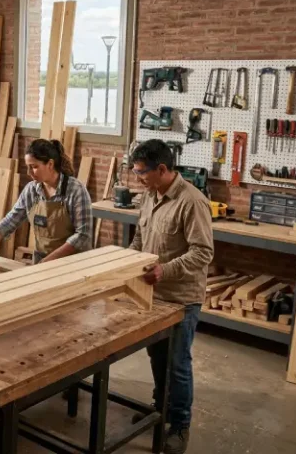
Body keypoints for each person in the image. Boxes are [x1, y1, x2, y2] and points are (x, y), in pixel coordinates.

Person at [128, 139, 214, 454]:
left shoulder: (192, 202)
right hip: (154, 294)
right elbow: (140, 236)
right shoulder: (149, 196)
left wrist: (165, 270)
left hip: (180, 298)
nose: (138, 178)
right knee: (158, 356)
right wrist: (127, 262)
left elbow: (203, 253)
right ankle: (160, 408)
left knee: (178, 362)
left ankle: (179, 425)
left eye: (141, 173)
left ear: (161, 169)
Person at [0, 138, 92, 264]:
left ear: (50, 164)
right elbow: (11, 220)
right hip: (41, 260)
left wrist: (50, 260)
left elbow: (83, 235)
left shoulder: (76, 191)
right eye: (28, 167)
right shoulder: (31, 190)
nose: (29, 173)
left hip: (72, 264)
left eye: (34, 167)